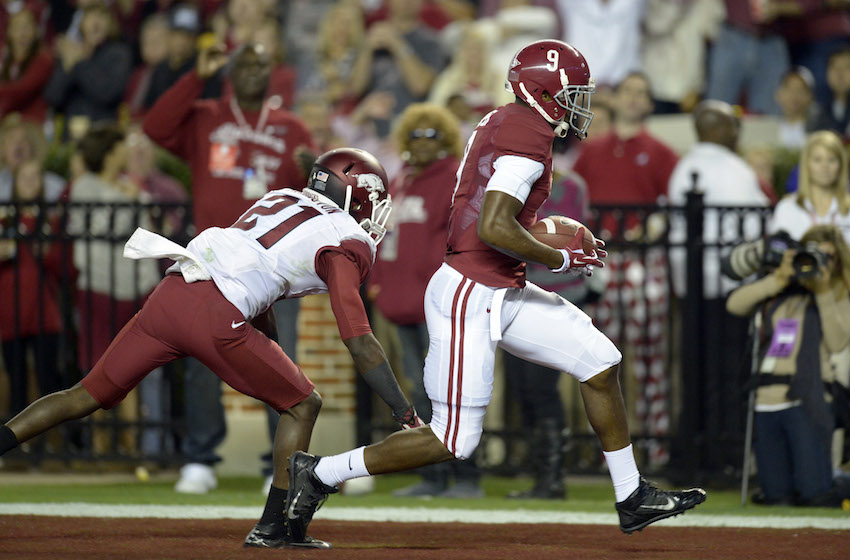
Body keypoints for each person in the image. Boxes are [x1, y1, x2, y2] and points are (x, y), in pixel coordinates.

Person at [284, 40, 706, 545]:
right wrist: (558, 255)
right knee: (453, 439)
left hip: (498, 286)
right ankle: (320, 473)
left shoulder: (512, 120)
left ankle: (631, 494)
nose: (580, 104)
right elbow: (492, 225)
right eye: (573, 93)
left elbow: (497, 214)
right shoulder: (528, 130)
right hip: (471, 291)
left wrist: (542, 231)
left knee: (599, 360)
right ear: (543, 90)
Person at [0, 147, 422, 550]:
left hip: (173, 291)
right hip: (217, 317)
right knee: (303, 404)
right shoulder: (346, 239)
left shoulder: (282, 197)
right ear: (357, 194)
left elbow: (250, 270)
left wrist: (267, 345)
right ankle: (273, 528)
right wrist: (404, 412)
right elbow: (358, 338)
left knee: (85, 394)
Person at [143, 42, 317, 494]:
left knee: (278, 363)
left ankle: (276, 461)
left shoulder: (292, 127)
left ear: (272, 72)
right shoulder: (204, 116)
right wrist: (193, 77)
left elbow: (317, 198)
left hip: (274, 269)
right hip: (213, 263)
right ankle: (200, 458)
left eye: (263, 63)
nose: (255, 70)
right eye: (246, 63)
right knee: (203, 359)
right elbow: (155, 127)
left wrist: (313, 172)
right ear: (231, 72)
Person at [367, 102, 479, 498]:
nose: (423, 142)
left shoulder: (453, 178)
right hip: (401, 302)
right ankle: (433, 477)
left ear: (446, 139)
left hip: (440, 303)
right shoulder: (400, 179)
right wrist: (377, 279)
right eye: (415, 134)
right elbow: (384, 234)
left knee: (451, 388)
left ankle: (466, 477)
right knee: (418, 389)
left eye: (432, 135)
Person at [726, 224, 850, 506]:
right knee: (776, 495)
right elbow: (735, 304)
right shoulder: (779, 292)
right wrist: (778, 279)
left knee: (814, 494)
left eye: (829, 257)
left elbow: (838, 341)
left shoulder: (838, 293)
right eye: (813, 255)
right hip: (767, 401)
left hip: (807, 401)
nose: (819, 262)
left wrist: (823, 289)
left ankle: (842, 482)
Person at [44, 3, 132, 138]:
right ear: (81, 24)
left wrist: (79, 64)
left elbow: (108, 92)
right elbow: (53, 97)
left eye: (102, 17)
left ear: (110, 24)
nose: (96, 22)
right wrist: (66, 68)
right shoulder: (72, 52)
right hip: (70, 136)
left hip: (103, 136)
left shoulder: (119, 53)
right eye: (90, 17)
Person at [769, 129, 850, 243]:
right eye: (817, 160)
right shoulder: (788, 207)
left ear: (841, 165)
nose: (825, 166)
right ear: (806, 164)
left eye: (832, 160)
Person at [0, 7, 54, 122]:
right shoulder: (3, 56)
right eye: (17, 26)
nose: (22, 32)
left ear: (36, 31)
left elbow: (21, 90)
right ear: (9, 31)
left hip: (30, 123)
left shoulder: (43, 60)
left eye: (27, 26)